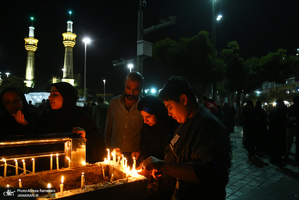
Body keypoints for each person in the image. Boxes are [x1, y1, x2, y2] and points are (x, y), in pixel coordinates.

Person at [140, 76, 232, 200]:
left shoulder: (206, 125)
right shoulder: (187, 122)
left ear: (183, 99)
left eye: (170, 107)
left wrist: (162, 165)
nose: (169, 113)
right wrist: (161, 168)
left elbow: (204, 173)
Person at [39, 82, 103, 163]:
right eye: (50, 94)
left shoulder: (81, 118)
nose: (49, 97)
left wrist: (85, 137)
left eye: (54, 94)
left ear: (67, 97)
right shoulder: (45, 117)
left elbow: (97, 143)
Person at [134, 95, 178, 199]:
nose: (145, 121)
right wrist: (140, 153)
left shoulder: (170, 127)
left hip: (166, 176)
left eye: (148, 117)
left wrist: (157, 166)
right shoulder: (146, 128)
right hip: (148, 173)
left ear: (157, 113)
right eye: (143, 117)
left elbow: (172, 155)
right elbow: (145, 146)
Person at [104, 72, 144, 165]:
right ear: (124, 84)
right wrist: (108, 148)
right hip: (114, 154)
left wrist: (141, 151)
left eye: (135, 89)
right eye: (128, 88)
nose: (131, 93)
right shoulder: (114, 103)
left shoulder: (143, 105)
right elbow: (108, 128)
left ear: (141, 88)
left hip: (134, 156)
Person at [269, 99, 287, 166]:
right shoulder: (281, 111)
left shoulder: (273, 111)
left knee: (273, 145)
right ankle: (278, 160)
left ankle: (272, 159)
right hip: (279, 131)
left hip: (273, 131)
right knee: (279, 146)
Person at [284, 96, 299, 162]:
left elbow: (287, 116)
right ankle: (297, 156)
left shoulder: (290, 108)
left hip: (290, 127)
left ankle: (286, 155)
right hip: (297, 127)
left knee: (288, 142)